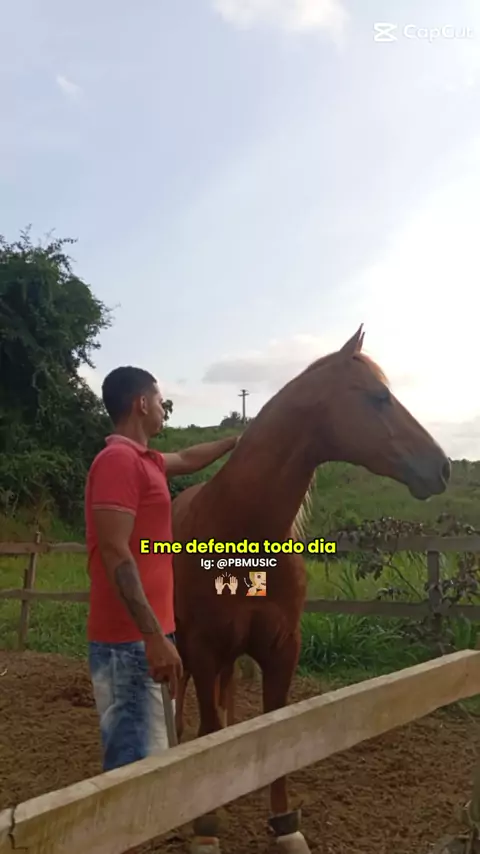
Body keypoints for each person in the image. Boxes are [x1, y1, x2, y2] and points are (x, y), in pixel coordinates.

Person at [85, 365, 238, 772]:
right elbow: (115, 551)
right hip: (131, 642)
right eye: (158, 400)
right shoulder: (118, 461)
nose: (162, 407)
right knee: (134, 768)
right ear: (141, 403)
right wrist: (152, 637)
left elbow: (187, 458)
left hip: (146, 637)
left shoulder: (146, 461)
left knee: (149, 760)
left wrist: (236, 441)